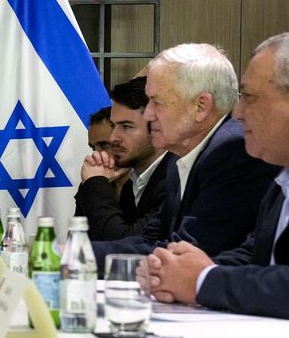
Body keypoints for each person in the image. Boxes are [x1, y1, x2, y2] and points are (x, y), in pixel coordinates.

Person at [91, 43, 279, 269]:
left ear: (201, 106)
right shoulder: (181, 156)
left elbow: (193, 252)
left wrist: (77, 256)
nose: (148, 114)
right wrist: (70, 253)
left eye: (156, 102)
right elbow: (153, 241)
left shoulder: (231, 151)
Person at [147, 33, 289, 319]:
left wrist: (202, 280)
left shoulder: (233, 153)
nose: (237, 113)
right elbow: (254, 255)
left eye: (249, 97)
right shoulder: (281, 181)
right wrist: (176, 272)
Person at [75, 77, 172, 240]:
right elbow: (79, 244)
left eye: (126, 127)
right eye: (114, 126)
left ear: (156, 127)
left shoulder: (175, 179)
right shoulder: (131, 184)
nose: (114, 138)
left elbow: (122, 247)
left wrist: (96, 184)